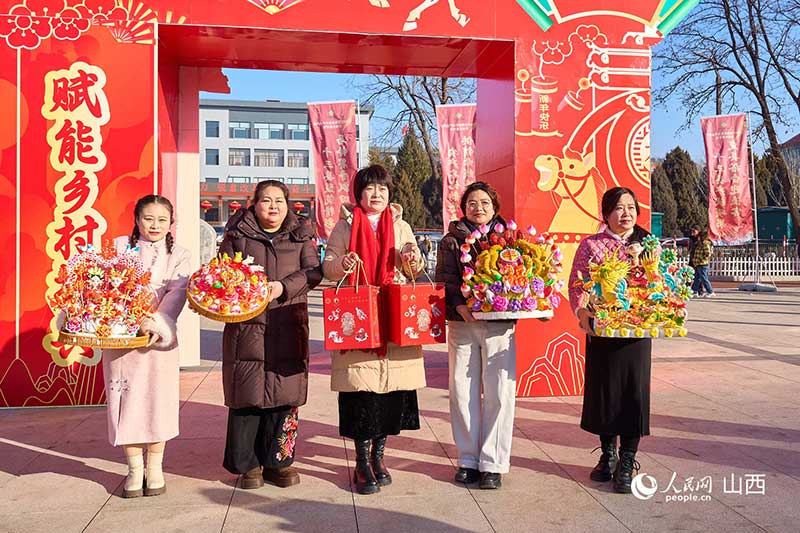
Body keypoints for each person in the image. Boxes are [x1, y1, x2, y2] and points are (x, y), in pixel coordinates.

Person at [322, 164, 424, 495]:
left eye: (382, 188)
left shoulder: (402, 226)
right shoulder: (344, 226)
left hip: (394, 318)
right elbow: (328, 265)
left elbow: (415, 268)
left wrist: (411, 257)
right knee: (361, 395)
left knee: (391, 395)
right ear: (359, 194)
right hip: (358, 320)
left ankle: (379, 458)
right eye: (369, 188)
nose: (376, 194)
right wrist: (342, 264)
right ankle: (361, 463)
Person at [219, 180, 322, 489]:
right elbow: (221, 272)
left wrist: (283, 287)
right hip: (246, 325)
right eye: (266, 200)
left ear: (288, 205)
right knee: (247, 394)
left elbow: (313, 272)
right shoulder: (237, 234)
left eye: (279, 200)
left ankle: (279, 462)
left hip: (287, 322)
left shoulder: (300, 234)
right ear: (255, 204)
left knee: (284, 394)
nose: (273, 206)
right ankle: (248, 465)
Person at [568, 186, 654, 494]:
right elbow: (576, 283)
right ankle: (608, 455)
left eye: (630, 207)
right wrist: (582, 313)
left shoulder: (649, 244)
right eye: (618, 207)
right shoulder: (591, 245)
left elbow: (660, 283)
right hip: (602, 330)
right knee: (604, 394)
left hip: (636, 332)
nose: (626, 213)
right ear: (606, 214)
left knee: (633, 393)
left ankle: (627, 460)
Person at [105, 194, 191, 498]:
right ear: (137, 220)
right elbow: (103, 286)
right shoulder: (118, 247)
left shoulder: (179, 254)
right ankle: (133, 468)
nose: (155, 225)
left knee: (158, 401)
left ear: (171, 223)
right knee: (125, 401)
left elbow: (177, 293)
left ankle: (155, 468)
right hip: (121, 338)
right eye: (148, 218)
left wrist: (156, 323)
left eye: (162, 219)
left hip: (158, 341)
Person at [435, 181, 518, 490]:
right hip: (463, 324)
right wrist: (459, 306)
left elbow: (523, 276)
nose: (478, 207)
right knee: (462, 390)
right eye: (472, 203)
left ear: (494, 207)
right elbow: (445, 279)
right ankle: (468, 459)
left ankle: (493, 463)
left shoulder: (510, 239)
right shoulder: (451, 240)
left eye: (484, 202)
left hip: (499, 325)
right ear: (463, 208)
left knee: (499, 392)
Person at [688, 226, 714, 297]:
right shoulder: (699, 243)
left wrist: (701, 260)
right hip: (697, 263)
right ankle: (695, 291)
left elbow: (708, 254)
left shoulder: (705, 243)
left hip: (702, 264)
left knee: (703, 278)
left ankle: (710, 291)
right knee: (696, 278)